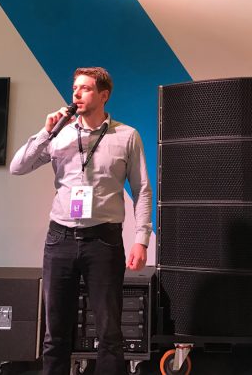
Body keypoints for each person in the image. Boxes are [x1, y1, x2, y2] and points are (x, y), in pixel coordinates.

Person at [10, 67, 152, 375]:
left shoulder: (126, 136)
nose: (76, 93)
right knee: (55, 332)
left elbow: (142, 189)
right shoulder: (58, 134)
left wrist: (141, 239)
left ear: (104, 95)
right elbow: (17, 167)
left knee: (109, 332)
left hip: (104, 241)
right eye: (75, 87)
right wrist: (46, 131)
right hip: (59, 240)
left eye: (85, 88)